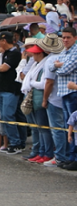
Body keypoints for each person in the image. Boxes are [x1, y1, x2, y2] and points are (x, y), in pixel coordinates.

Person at [0, 31, 23, 154]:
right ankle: (11, 142)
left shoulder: (15, 53)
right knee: (3, 116)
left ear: (4, 41)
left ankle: (16, 142)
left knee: (9, 115)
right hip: (0, 88)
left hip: (10, 88)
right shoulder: (1, 54)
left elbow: (4, 68)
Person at [39, 33, 69, 167]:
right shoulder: (64, 56)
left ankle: (60, 156)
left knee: (57, 129)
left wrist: (45, 99)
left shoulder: (51, 60)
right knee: (66, 127)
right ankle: (66, 154)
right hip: (65, 96)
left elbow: (49, 82)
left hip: (54, 98)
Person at [50, 27, 77, 169]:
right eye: (64, 37)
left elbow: (66, 69)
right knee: (69, 126)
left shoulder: (76, 51)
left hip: (73, 92)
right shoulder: (64, 51)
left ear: (75, 37)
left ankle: (75, 157)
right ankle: (71, 156)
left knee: (75, 126)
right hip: (64, 92)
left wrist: (59, 65)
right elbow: (51, 67)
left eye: (68, 37)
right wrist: (58, 64)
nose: (65, 40)